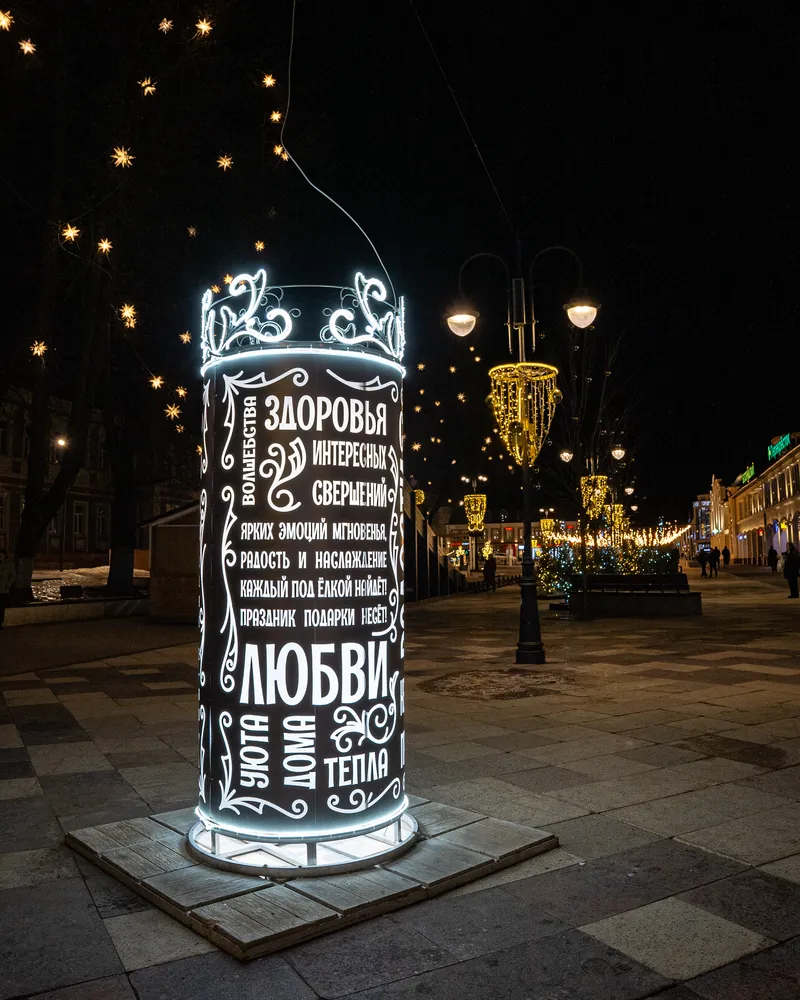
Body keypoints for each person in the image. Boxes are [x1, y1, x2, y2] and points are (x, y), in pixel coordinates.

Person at [0, 550, 16, 631]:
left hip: (3, 589)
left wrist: (8, 584)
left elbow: (13, 576)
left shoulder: (8, 565)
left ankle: (0, 623)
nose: (0, 556)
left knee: (1, 607)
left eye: (2, 554)